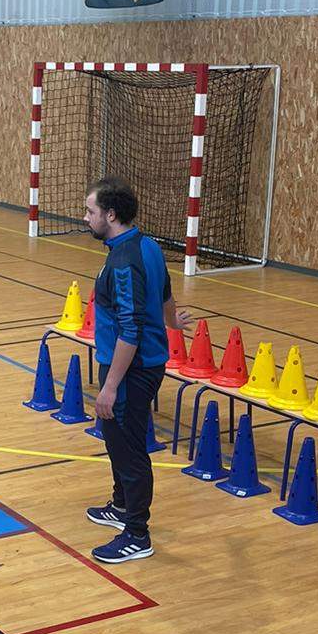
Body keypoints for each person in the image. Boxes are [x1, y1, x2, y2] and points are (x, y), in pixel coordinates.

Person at [84, 178, 188, 563]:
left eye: (91, 211)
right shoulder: (146, 246)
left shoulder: (124, 261)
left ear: (111, 215)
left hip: (131, 369)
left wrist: (109, 387)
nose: (86, 218)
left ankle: (137, 533)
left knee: (128, 449)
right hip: (138, 364)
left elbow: (131, 329)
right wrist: (174, 321)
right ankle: (121, 506)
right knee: (116, 439)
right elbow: (164, 293)